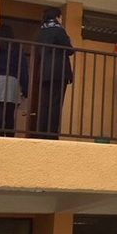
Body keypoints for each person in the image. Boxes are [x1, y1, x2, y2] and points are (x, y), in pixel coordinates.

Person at [34, 7, 74, 139]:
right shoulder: (59, 30)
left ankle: (41, 132)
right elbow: (70, 50)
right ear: (57, 17)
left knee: (45, 103)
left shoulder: (41, 32)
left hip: (44, 73)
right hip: (59, 72)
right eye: (61, 17)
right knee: (55, 104)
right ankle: (52, 134)